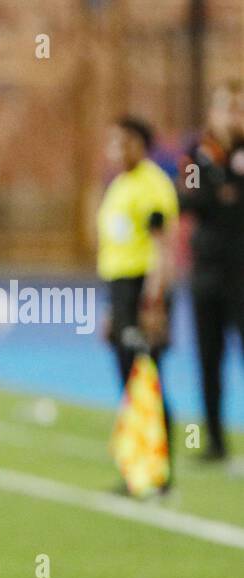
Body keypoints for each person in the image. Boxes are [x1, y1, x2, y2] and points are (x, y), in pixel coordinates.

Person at [98, 115, 179, 489]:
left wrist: (153, 302)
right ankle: (137, 468)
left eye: (124, 142)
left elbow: (162, 248)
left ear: (141, 145)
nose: (117, 149)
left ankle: (160, 472)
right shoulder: (120, 184)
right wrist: (114, 310)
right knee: (130, 382)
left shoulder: (152, 185)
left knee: (148, 379)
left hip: (142, 289)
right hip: (121, 290)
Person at [180, 81, 244, 462]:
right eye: (226, 107)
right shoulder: (198, 153)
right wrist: (221, 187)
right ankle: (215, 441)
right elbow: (189, 198)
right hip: (206, 273)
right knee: (208, 358)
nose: (232, 116)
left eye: (238, 108)